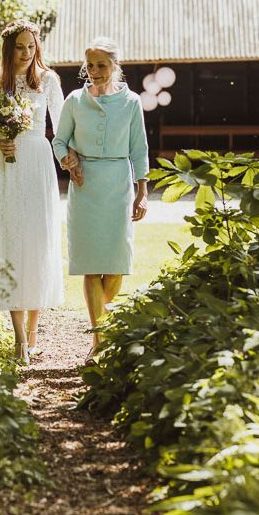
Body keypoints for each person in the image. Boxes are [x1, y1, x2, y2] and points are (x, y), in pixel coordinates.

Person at [0, 20, 65, 364]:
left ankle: (36, 329)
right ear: (8, 49)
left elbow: (65, 124)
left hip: (38, 163)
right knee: (10, 240)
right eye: (20, 47)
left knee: (36, 241)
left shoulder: (49, 81)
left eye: (31, 47)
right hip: (5, 164)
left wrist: (72, 158)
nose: (26, 54)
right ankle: (19, 337)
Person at [52, 36, 149, 364]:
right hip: (86, 188)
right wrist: (70, 162)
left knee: (117, 265)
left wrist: (142, 191)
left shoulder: (132, 102)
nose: (94, 71)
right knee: (92, 266)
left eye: (101, 65)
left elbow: (139, 148)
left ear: (115, 66)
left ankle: (101, 330)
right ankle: (99, 340)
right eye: (90, 65)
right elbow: (59, 140)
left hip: (118, 185)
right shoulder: (75, 101)